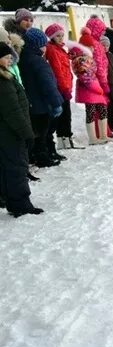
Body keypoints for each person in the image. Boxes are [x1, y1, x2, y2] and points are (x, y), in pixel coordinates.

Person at [0, 42, 43, 217]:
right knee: (16, 167)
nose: (10, 59)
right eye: (6, 57)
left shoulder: (5, 76)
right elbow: (13, 111)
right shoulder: (2, 82)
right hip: (10, 132)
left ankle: (11, 200)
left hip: (7, 131)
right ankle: (21, 204)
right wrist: (27, 134)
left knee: (8, 166)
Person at [20, 28, 64, 165]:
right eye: (43, 44)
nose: (45, 47)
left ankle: (38, 155)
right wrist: (56, 103)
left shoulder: (24, 58)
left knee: (37, 131)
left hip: (32, 102)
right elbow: (48, 84)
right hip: (41, 103)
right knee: (43, 131)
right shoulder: (37, 61)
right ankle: (42, 157)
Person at [44, 24, 74, 148]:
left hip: (65, 85)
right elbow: (57, 70)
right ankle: (63, 139)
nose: (61, 38)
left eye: (62, 35)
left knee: (66, 114)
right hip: (61, 87)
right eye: (58, 36)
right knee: (63, 115)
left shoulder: (60, 48)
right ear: (52, 37)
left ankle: (65, 138)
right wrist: (64, 88)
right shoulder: (52, 49)